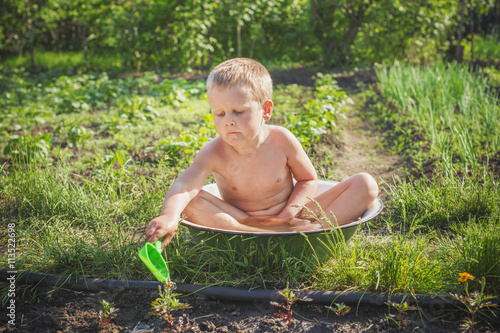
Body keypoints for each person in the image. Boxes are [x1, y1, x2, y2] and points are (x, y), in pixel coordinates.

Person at [146, 58, 379, 248]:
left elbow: (308, 179)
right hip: (240, 220)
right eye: (220, 114)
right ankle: (255, 235)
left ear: (266, 110)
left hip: (296, 215)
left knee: (365, 184)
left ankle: (317, 230)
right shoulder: (214, 152)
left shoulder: (281, 139)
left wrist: (289, 214)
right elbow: (185, 185)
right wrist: (169, 215)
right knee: (188, 200)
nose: (229, 121)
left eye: (239, 111)